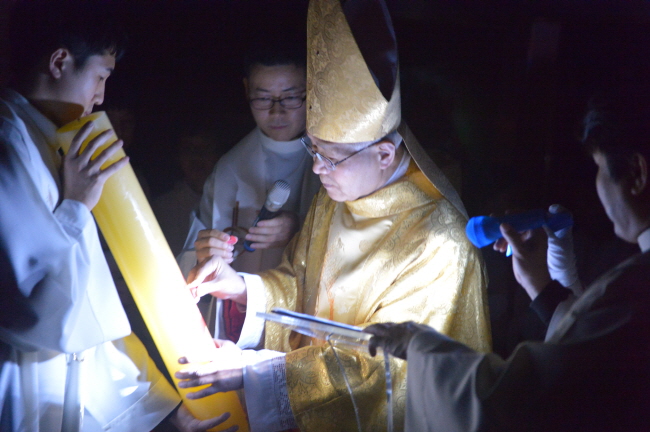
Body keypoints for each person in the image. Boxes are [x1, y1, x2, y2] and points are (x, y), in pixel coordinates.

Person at [175, 1, 491, 431]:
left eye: (331, 157)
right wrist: (242, 288)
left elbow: (382, 371)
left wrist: (253, 372)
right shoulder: (336, 197)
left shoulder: (438, 242)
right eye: (314, 149)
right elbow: (299, 282)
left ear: (384, 154)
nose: (317, 168)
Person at [364, 91, 650, 431]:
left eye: (599, 167)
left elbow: (514, 402)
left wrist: (420, 345)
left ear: (636, 173)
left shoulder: (632, 291)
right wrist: (543, 286)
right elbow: (582, 363)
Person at [0, 2, 216, 431]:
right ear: (60, 62)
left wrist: (162, 409)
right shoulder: (10, 141)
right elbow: (32, 308)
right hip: (25, 381)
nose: (100, 97)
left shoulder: (47, 137)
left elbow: (89, 307)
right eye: (100, 77)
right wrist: (77, 204)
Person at [177, 43, 321, 341]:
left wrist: (300, 229)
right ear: (246, 90)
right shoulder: (229, 169)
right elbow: (187, 262)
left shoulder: (333, 159)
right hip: (239, 327)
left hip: (308, 324)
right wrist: (205, 254)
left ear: (311, 89)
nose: (277, 111)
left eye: (291, 97)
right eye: (263, 98)